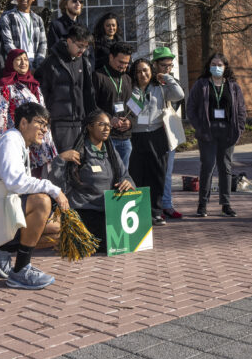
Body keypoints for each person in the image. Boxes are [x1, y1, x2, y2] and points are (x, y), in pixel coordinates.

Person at [0, 102, 70, 289]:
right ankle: (21, 270)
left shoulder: (20, 144)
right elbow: (15, 182)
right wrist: (54, 189)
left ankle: (0, 250)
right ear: (23, 123)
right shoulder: (10, 141)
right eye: (40, 124)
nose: (45, 130)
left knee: (56, 228)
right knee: (41, 202)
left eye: (47, 125)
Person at [50, 109, 134, 252]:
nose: (107, 128)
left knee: (126, 241)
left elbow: (125, 175)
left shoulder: (111, 153)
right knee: (106, 244)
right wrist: (60, 160)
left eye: (108, 125)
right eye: (101, 124)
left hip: (109, 210)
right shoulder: (78, 153)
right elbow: (57, 184)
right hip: (85, 210)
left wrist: (128, 182)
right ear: (89, 127)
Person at [187, 53, 247, 218]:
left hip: (227, 133)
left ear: (225, 67)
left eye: (220, 65)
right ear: (208, 66)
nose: (217, 67)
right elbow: (191, 108)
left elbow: (241, 110)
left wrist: (238, 129)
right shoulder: (201, 85)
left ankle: (226, 205)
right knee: (207, 166)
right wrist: (199, 128)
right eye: (214, 64)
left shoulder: (233, 87)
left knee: (226, 168)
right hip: (208, 133)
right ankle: (202, 204)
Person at [128, 57, 184, 226]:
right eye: (138, 71)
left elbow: (179, 94)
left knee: (158, 174)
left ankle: (156, 212)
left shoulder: (159, 87)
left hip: (157, 134)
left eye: (145, 70)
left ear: (151, 71)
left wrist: (166, 77)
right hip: (136, 136)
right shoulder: (131, 89)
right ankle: (139, 211)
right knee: (138, 174)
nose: (142, 74)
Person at [0, 48, 57, 177]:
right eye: (18, 59)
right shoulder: (4, 86)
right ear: (10, 62)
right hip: (19, 139)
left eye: (26, 59)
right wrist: (3, 143)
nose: (23, 63)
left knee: (41, 178)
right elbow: (1, 117)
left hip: (39, 139)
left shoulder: (34, 85)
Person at [36, 24, 95, 153]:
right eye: (80, 46)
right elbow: (43, 92)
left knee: (79, 161)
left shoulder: (84, 62)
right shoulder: (51, 62)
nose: (82, 50)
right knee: (63, 162)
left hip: (80, 121)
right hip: (59, 121)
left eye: (86, 47)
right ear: (69, 41)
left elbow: (88, 92)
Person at [92, 41, 135, 169]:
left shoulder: (127, 79)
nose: (123, 66)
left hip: (125, 138)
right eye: (120, 62)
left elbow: (133, 107)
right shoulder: (98, 76)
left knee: (123, 176)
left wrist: (130, 122)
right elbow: (92, 105)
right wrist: (109, 119)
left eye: (126, 63)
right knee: (107, 175)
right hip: (105, 137)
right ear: (111, 57)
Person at [152, 46, 183, 219]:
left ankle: (167, 204)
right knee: (154, 171)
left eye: (170, 65)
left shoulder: (172, 81)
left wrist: (168, 79)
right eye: (164, 65)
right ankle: (154, 206)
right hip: (151, 132)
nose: (167, 69)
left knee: (168, 172)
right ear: (155, 64)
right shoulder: (149, 81)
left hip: (168, 133)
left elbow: (179, 97)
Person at [0, 0, 47, 70]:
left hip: (36, 67)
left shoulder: (38, 19)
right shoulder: (7, 17)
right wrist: (22, 63)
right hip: (16, 66)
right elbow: (8, 44)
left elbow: (43, 44)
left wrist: (37, 66)